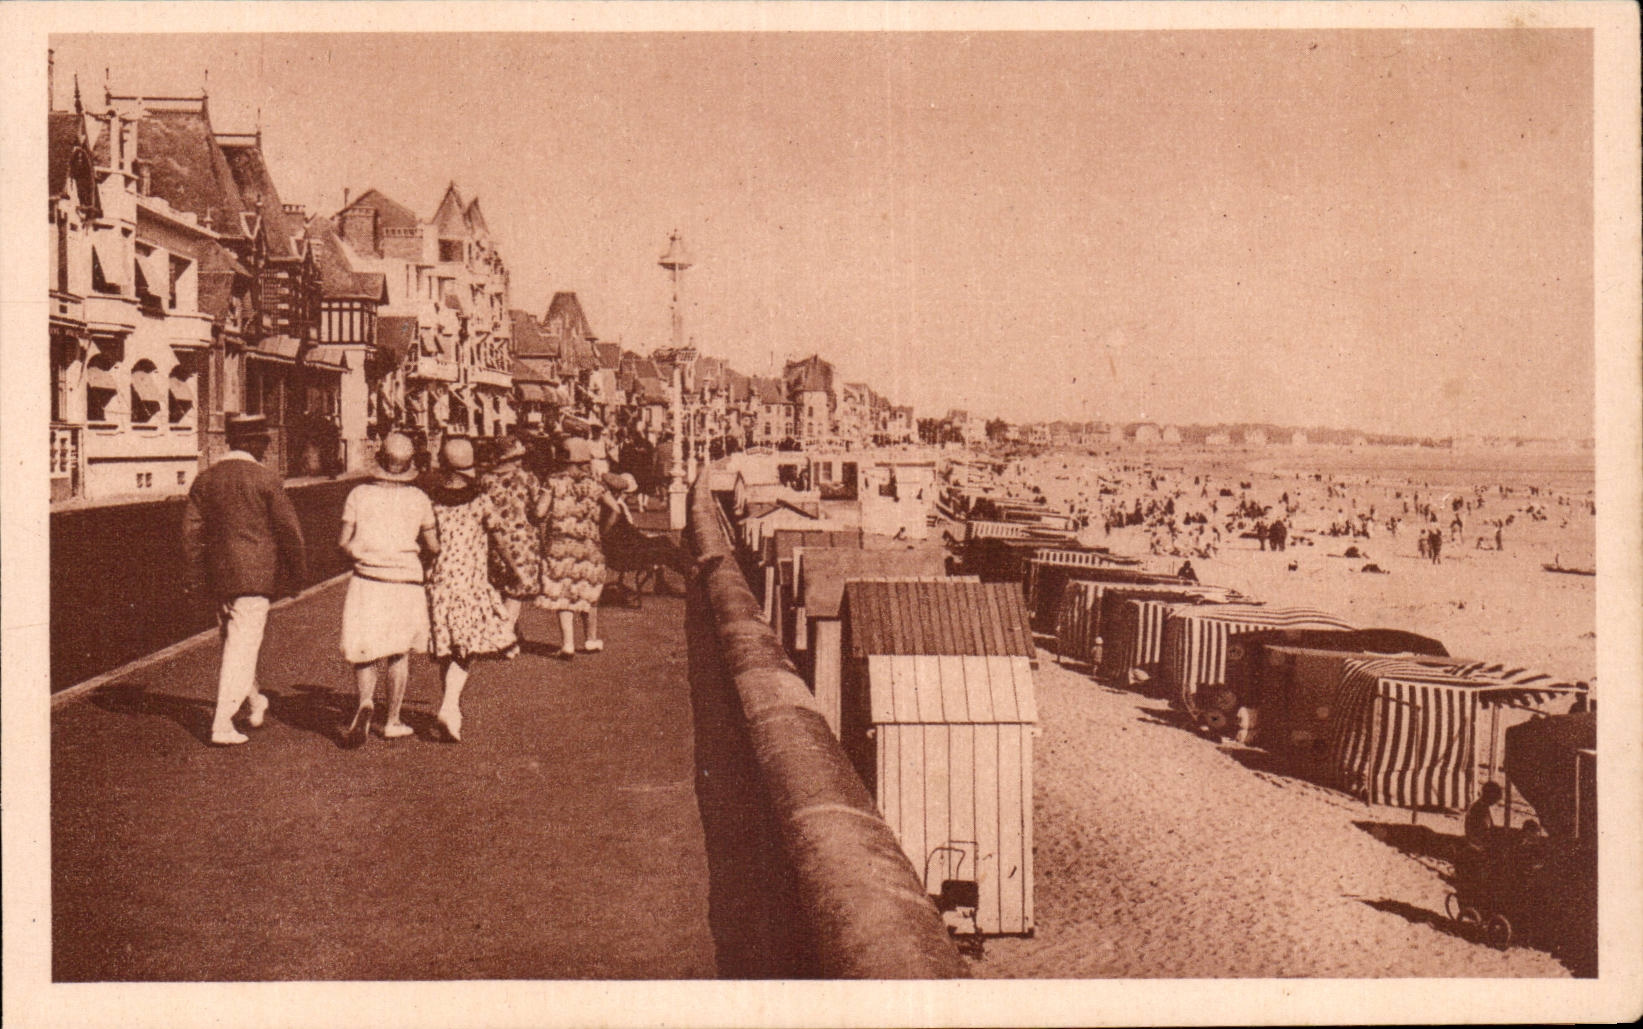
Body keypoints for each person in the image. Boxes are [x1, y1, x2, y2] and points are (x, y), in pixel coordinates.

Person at [181, 414, 307, 745]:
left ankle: (255, 700)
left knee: (235, 641)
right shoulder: (266, 480)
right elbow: (289, 531)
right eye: (263, 442)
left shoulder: (205, 479)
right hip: (255, 578)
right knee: (241, 647)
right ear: (251, 443)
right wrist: (297, 574)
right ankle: (222, 723)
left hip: (218, 577)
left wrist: (196, 578)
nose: (265, 448)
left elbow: (191, 535)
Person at [336, 432, 439, 748]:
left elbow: (343, 543)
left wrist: (362, 553)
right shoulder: (419, 499)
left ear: (379, 460)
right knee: (398, 651)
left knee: (365, 649)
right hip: (405, 582)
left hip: (368, 579)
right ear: (409, 466)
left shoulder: (359, 494)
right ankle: (392, 720)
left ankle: (365, 701)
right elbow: (433, 545)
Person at [425, 438, 519, 742]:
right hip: (471, 583)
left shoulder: (432, 500)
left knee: (447, 646)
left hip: (438, 581)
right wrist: (514, 570)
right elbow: (500, 540)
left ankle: (450, 707)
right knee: (465, 649)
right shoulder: (480, 500)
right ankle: (450, 706)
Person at [535, 434, 613, 658]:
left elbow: (540, 512)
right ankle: (590, 639)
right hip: (590, 545)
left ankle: (567, 644)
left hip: (560, 545)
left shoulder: (552, 482)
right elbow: (615, 509)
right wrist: (602, 531)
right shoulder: (595, 484)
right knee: (589, 591)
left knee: (563, 593)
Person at [478, 434, 545, 647]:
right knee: (517, 589)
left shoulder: (485, 480)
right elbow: (538, 511)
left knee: (499, 586)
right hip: (522, 540)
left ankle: (509, 631)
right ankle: (503, 637)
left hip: (493, 540)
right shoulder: (528, 478)